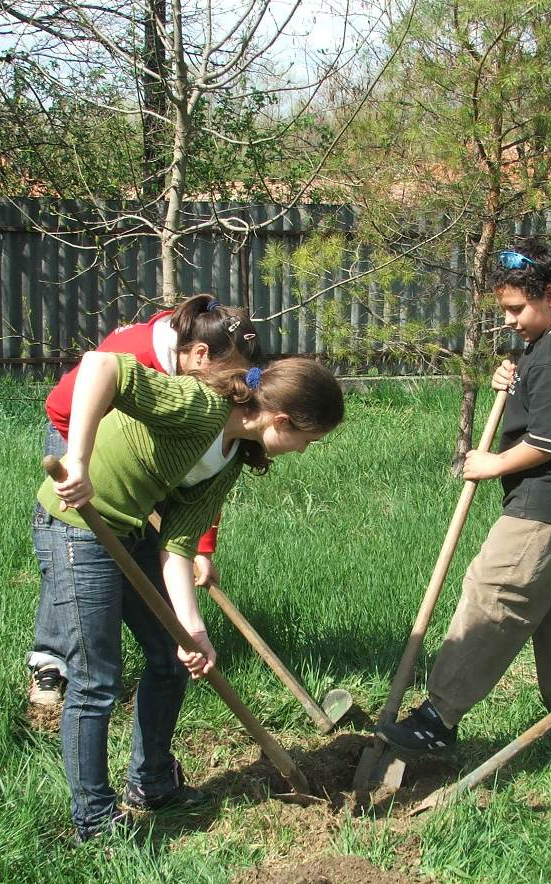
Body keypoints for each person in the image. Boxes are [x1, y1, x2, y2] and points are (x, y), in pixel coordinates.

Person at [33, 350, 344, 842]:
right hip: (76, 527)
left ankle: (152, 783)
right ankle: (93, 820)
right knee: (96, 680)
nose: (303, 451)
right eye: (307, 440)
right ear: (281, 420)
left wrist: (191, 628)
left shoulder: (230, 461)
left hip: (131, 531)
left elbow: (177, 543)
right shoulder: (199, 406)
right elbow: (101, 367)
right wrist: (77, 459)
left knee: (170, 656)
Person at [377, 237, 551, 754]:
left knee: (494, 593)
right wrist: (515, 378)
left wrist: (493, 465)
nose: (508, 320)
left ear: (550, 294)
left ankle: (438, 718)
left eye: (516, 309)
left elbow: (550, 441)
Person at [28, 294, 266, 707]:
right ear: (201, 354)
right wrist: (87, 463)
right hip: (81, 430)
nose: (233, 391)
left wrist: (200, 548)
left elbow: (201, 472)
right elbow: (68, 404)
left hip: (140, 457)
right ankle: (49, 660)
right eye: (229, 377)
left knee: (128, 551)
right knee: (75, 549)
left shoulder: (203, 388)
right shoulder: (139, 356)